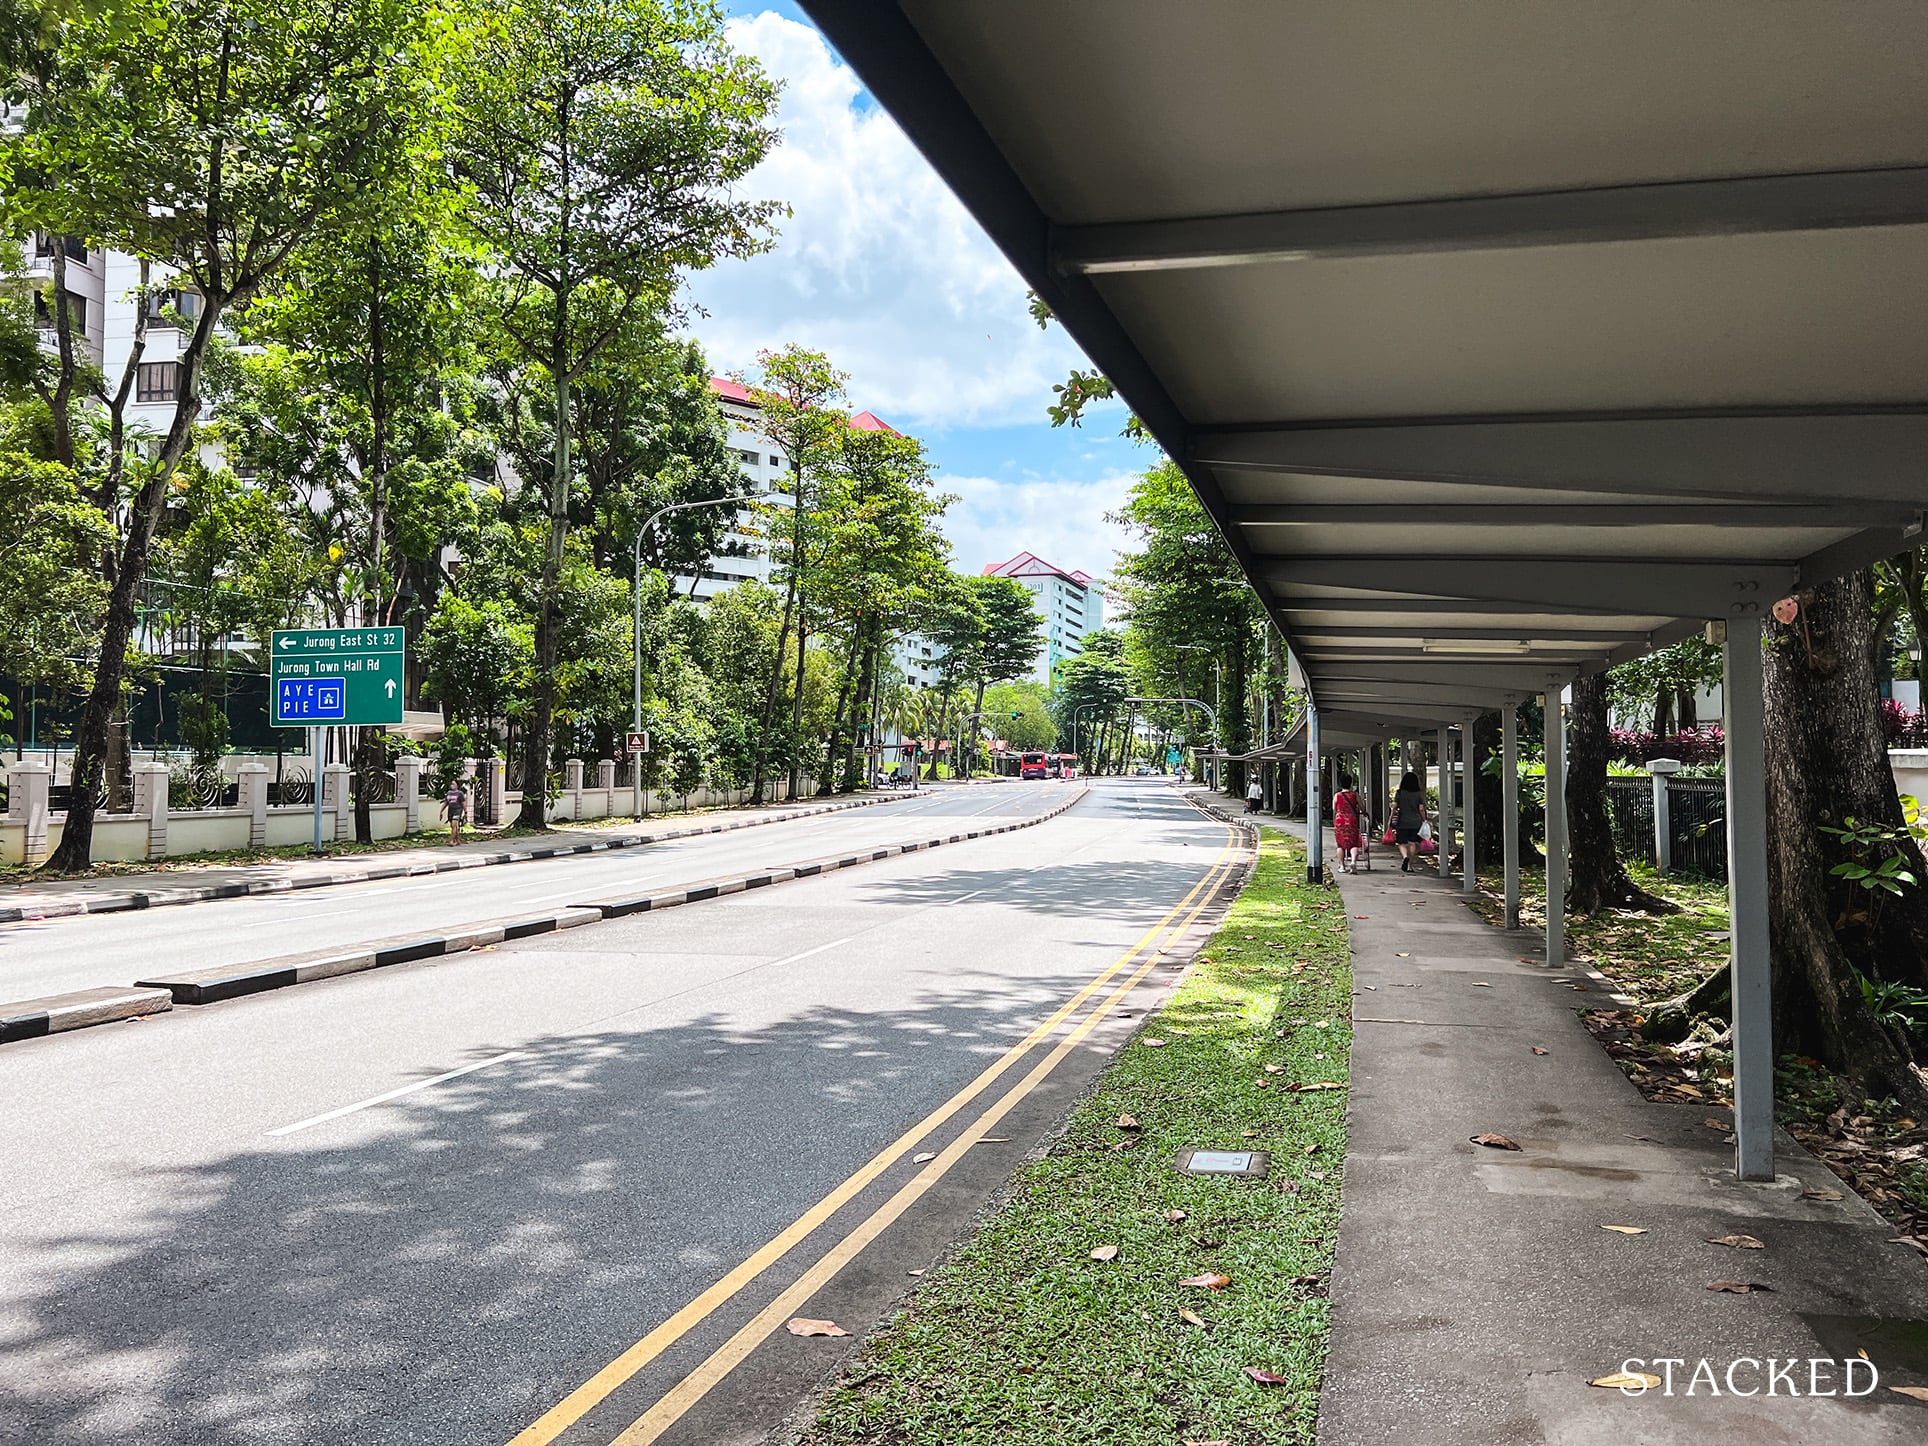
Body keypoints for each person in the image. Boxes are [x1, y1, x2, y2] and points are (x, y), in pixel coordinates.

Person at [1392, 770, 1426, 872]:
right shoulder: (1418, 794)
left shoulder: (1399, 793)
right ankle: (1410, 866)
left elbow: (1394, 807)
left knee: (1402, 842)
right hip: (1415, 821)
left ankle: (1405, 857)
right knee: (1413, 843)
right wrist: (1424, 820)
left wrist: (1391, 818)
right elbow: (1421, 809)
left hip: (1402, 820)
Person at [1333, 771, 1365, 873]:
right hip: (1352, 821)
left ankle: (1342, 866)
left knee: (1340, 845)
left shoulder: (1337, 795)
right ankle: (1353, 862)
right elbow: (1362, 807)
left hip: (1340, 821)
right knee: (1354, 843)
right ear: (1350, 783)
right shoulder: (1355, 795)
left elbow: (1334, 808)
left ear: (1340, 783)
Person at [442, 777, 467, 846]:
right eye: (451, 784)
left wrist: (465, 811)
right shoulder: (449, 793)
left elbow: (463, 803)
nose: (452, 785)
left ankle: (451, 840)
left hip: (457, 810)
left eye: (453, 784)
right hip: (451, 810)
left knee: (454, 825)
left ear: (457, 785)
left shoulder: (460, 793)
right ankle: (458, 840)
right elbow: (446, 802)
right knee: (453, 826)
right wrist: (441, 811)